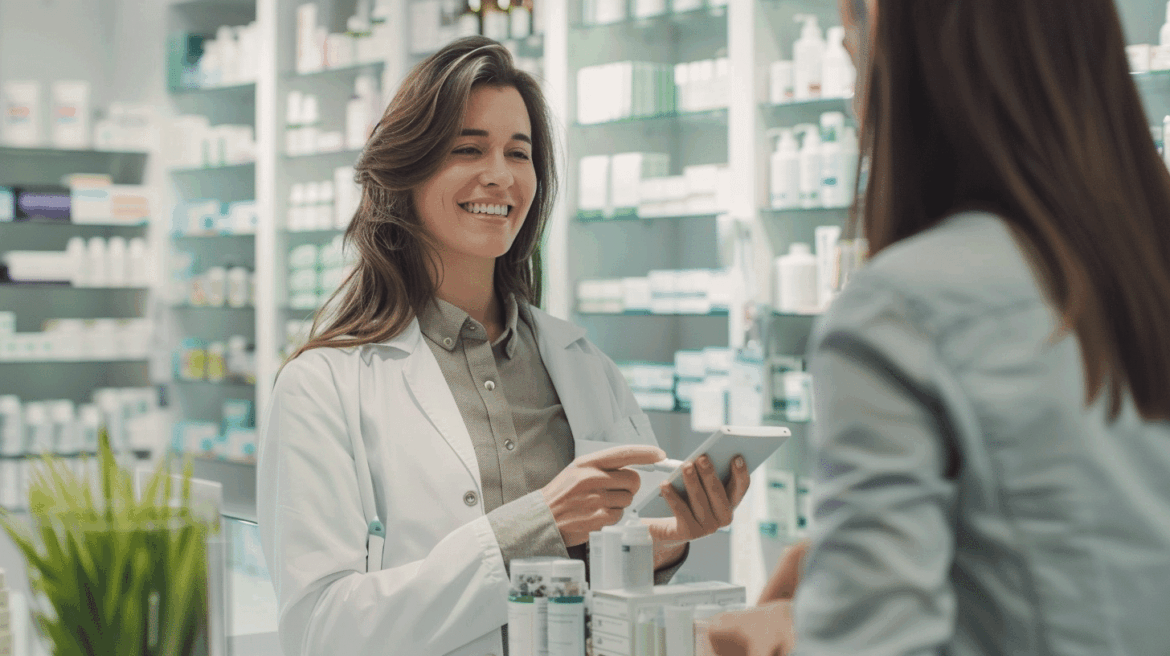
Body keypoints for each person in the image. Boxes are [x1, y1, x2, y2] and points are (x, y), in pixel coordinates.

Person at [257, 36, 752, 656]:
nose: (500, 174)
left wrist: (667, 539)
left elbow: (598, 575)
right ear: (406, 172)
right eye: (468, 149)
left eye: (519, 153)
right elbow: (319, 629)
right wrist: (536, 525)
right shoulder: (322, 386)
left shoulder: (583, 365)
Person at [709, 0, 1170, 654]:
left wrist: (808, 631)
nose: (851, 84)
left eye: (853, 43)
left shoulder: (902, 310)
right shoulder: (1142, 270)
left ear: (910, 54)